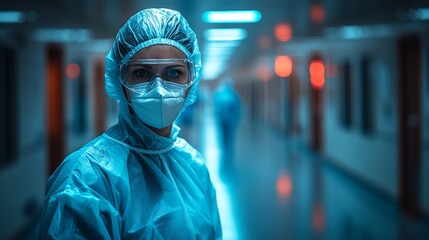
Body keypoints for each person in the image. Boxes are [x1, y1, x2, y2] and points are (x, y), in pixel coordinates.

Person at [37, 8, 222, 239]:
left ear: (191, 82)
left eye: (173, 73)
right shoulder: (85, 179)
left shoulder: (194, 166)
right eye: (142, 73)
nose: (159, 89)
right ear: (120, 81)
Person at [213, 77, 241, 179]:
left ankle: (225, 146)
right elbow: (238, 108)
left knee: (224, 133)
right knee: (229, 133)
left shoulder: (220, 94)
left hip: (223, 119)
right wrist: (237, 119)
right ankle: (228, 146)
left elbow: (216, 107)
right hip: (229, 119)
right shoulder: (234, 95)